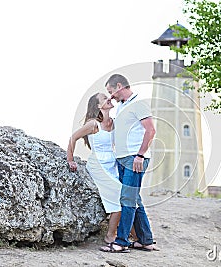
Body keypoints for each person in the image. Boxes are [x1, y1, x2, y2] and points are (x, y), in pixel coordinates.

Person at [100, 74, 158, 253]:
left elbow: (151, 130)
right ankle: (146, 240)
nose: (111, 96)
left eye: (111, 92)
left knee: (127, 200)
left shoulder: (139, 102)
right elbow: (109, 127)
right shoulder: (122, 106)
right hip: (123, 159)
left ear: (119, 86)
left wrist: (140, 156)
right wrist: (106, 109)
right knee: (134, 200)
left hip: (135, 159)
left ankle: (121, 242)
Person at [67, 92, 122, 244]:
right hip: (98, 165)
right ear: (98, 106)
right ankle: (110, 236)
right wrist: (70, 160)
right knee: (120, 196)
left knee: (127, 199)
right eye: (105, 98)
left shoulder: (114, 122)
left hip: (112, 165)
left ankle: (136, 238)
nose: (109, 98)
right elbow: (73, 138)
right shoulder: (93, 124)